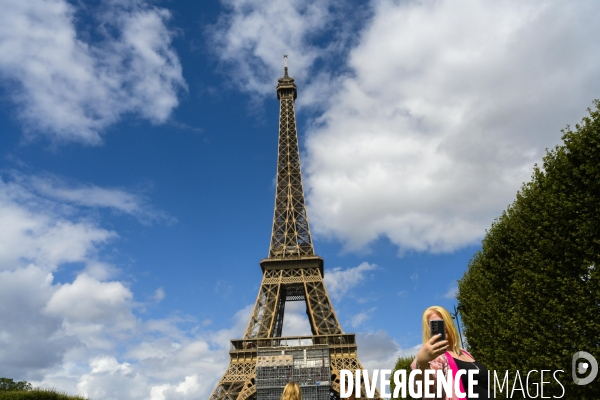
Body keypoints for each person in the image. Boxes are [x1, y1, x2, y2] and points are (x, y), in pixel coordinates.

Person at [411, 306, 490, 400]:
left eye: (444, 321)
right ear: (429, 329)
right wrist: (422, 363)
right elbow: (427, 390)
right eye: (436, 324)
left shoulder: (465, 353)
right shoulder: (434, 357)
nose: (442, 327)